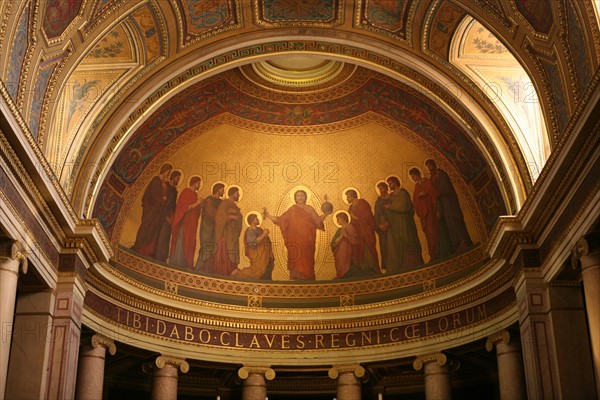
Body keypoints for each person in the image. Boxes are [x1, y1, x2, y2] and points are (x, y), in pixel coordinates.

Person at [264, 190, 331, 281]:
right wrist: (268, 216)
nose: (300, 197)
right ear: (295, 198)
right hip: (294, 240)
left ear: (306, 197)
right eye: (298, 195)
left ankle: (308, 280)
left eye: (302, 195)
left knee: (306, 261)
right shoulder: (292, 209)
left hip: (307, 241)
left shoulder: (309, 209)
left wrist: (326, 214)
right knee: (296, 258)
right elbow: (281, 220)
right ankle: (295, 279)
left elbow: (317, 221)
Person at [425, 159, 472, 254]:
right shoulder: (431, 179)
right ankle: (456, 246)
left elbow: (446, 187)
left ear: (434, 165)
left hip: (449, 202)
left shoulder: (442, 174)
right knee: (448, 225)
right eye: (428, 167)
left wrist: (436, 192)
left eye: (431, 165)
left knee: (455, 220)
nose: (430, 168)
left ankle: (464, 242)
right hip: (442, 206)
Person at [409, 167, 451, 262]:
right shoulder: (416, 187)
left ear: (418, 174)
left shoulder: (427, 182)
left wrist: (426, 194)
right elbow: (415, 201)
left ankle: (442, 254)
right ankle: (434, 256)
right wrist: (419, 197)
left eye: (414, 176)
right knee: (429, 235)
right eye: (412, 177)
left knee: (436, 232)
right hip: (425, 216)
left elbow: (435, 195)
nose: (413, 178)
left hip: (432, 212)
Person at [131, 163, 173, 256]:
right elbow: (153, 195)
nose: (169, 174)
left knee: (154, 230)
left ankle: (148, 251)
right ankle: (139, 247)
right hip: (151, 210)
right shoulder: (156, 181)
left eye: (170, 173)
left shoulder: (164, 184)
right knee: (146, 228)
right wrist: (162, 200)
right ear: (164, 171)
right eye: (168, 172)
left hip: (158, 212)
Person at [384, 176, 424, 272]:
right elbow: (386, 209)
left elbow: (403, 206)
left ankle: (413, 264)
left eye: (391, 183)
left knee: (408, 241)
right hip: (396, 226)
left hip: (405, 223)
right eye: (388, 184)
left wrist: (390, 207)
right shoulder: (391, 196)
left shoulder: (403, 193)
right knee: (399, 244)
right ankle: (403, 265)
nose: (389, 186)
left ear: (396, 183)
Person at [205, 186, 243, 276]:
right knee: (224, 253)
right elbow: (219, 217)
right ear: (232, 193)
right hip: (225, 235)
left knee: (231, 254)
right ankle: (222, 273)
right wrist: (231, 217)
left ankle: (230, 273)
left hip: (233, 235)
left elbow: (239, 217)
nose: (239, 195)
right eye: (237, 193)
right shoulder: (225, 203)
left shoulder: (234, 206)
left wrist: (237, 217)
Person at [169, 176, 204, 269]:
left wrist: (200, 205)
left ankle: (186, 263)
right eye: (198, 183)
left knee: (190, 242)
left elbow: (195, 211)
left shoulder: (195, 195)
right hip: (184, 224)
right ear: (194, 183)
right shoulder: (186, 192)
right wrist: (197, 203)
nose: (199, 185)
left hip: (191, 225)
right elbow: (184, 208)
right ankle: (178, 262)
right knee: (183, 241)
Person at [345, 189, 380, 275]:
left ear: (353, 196)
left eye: (348, 196)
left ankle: (372, 269)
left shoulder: (362, 204)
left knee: (367, 250)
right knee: (357, 251)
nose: (347, 198)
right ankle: (362, 270)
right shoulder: (350, 207)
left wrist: (356, 217)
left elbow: (368, 218)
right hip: (357, 234)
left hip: (365, 232)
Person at [232, 213, 274, 280]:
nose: (258, 219)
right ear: (252, 220)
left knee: (266, 268)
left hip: (264, 254)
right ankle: (239, 273)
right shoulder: (250, 231)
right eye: (256, 218)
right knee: (256, 270)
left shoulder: (259, 230)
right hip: (257, 255)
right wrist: (264, 234)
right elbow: (253, 243)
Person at [196, 182, 225, 271]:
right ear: (217, 190)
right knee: (205, 248)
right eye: (222, 190)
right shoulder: (209, 200)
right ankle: (199, 268)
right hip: (207, 229)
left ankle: (208, 270)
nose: (223, 192)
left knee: (213, 249)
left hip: (216, 230)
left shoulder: (221, 202)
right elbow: (213, 215)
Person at [154, 170, 181, 262]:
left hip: (170, 215)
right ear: (173, 177)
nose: (178, 180)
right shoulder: (166, 186)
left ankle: (162, 257)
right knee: (160, 235)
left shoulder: (175, 191)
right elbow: (162, 202)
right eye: (177, 178)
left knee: (166, 237)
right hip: (162, 214)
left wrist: (172, 217)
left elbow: (173, 205)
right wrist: (166, 216)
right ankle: (157, 256)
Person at [330, 211, 360, 279]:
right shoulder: (339, 230)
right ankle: (340, 275)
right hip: (339, 251)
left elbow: (356, 239)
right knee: (340, 262)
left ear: (343, 219)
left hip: (349, 250)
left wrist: (346, 236)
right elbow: (334, 243)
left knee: (346, 262)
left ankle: (345, 274)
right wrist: (341, 237)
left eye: (338, 219)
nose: (337, 221)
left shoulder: (350, 227)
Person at [374, 181, 391, 270]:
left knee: (392, 246)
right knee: (384, 246)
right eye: (379, 189)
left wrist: (389, 223)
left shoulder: (392, 198)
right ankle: (386, 266)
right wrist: (379, 225)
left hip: (392, 226)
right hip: (382, 228)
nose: (381, 190)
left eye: (382, 188)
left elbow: (395, 212)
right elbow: (376, 215)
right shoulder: (378, 201)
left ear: (386, 188)